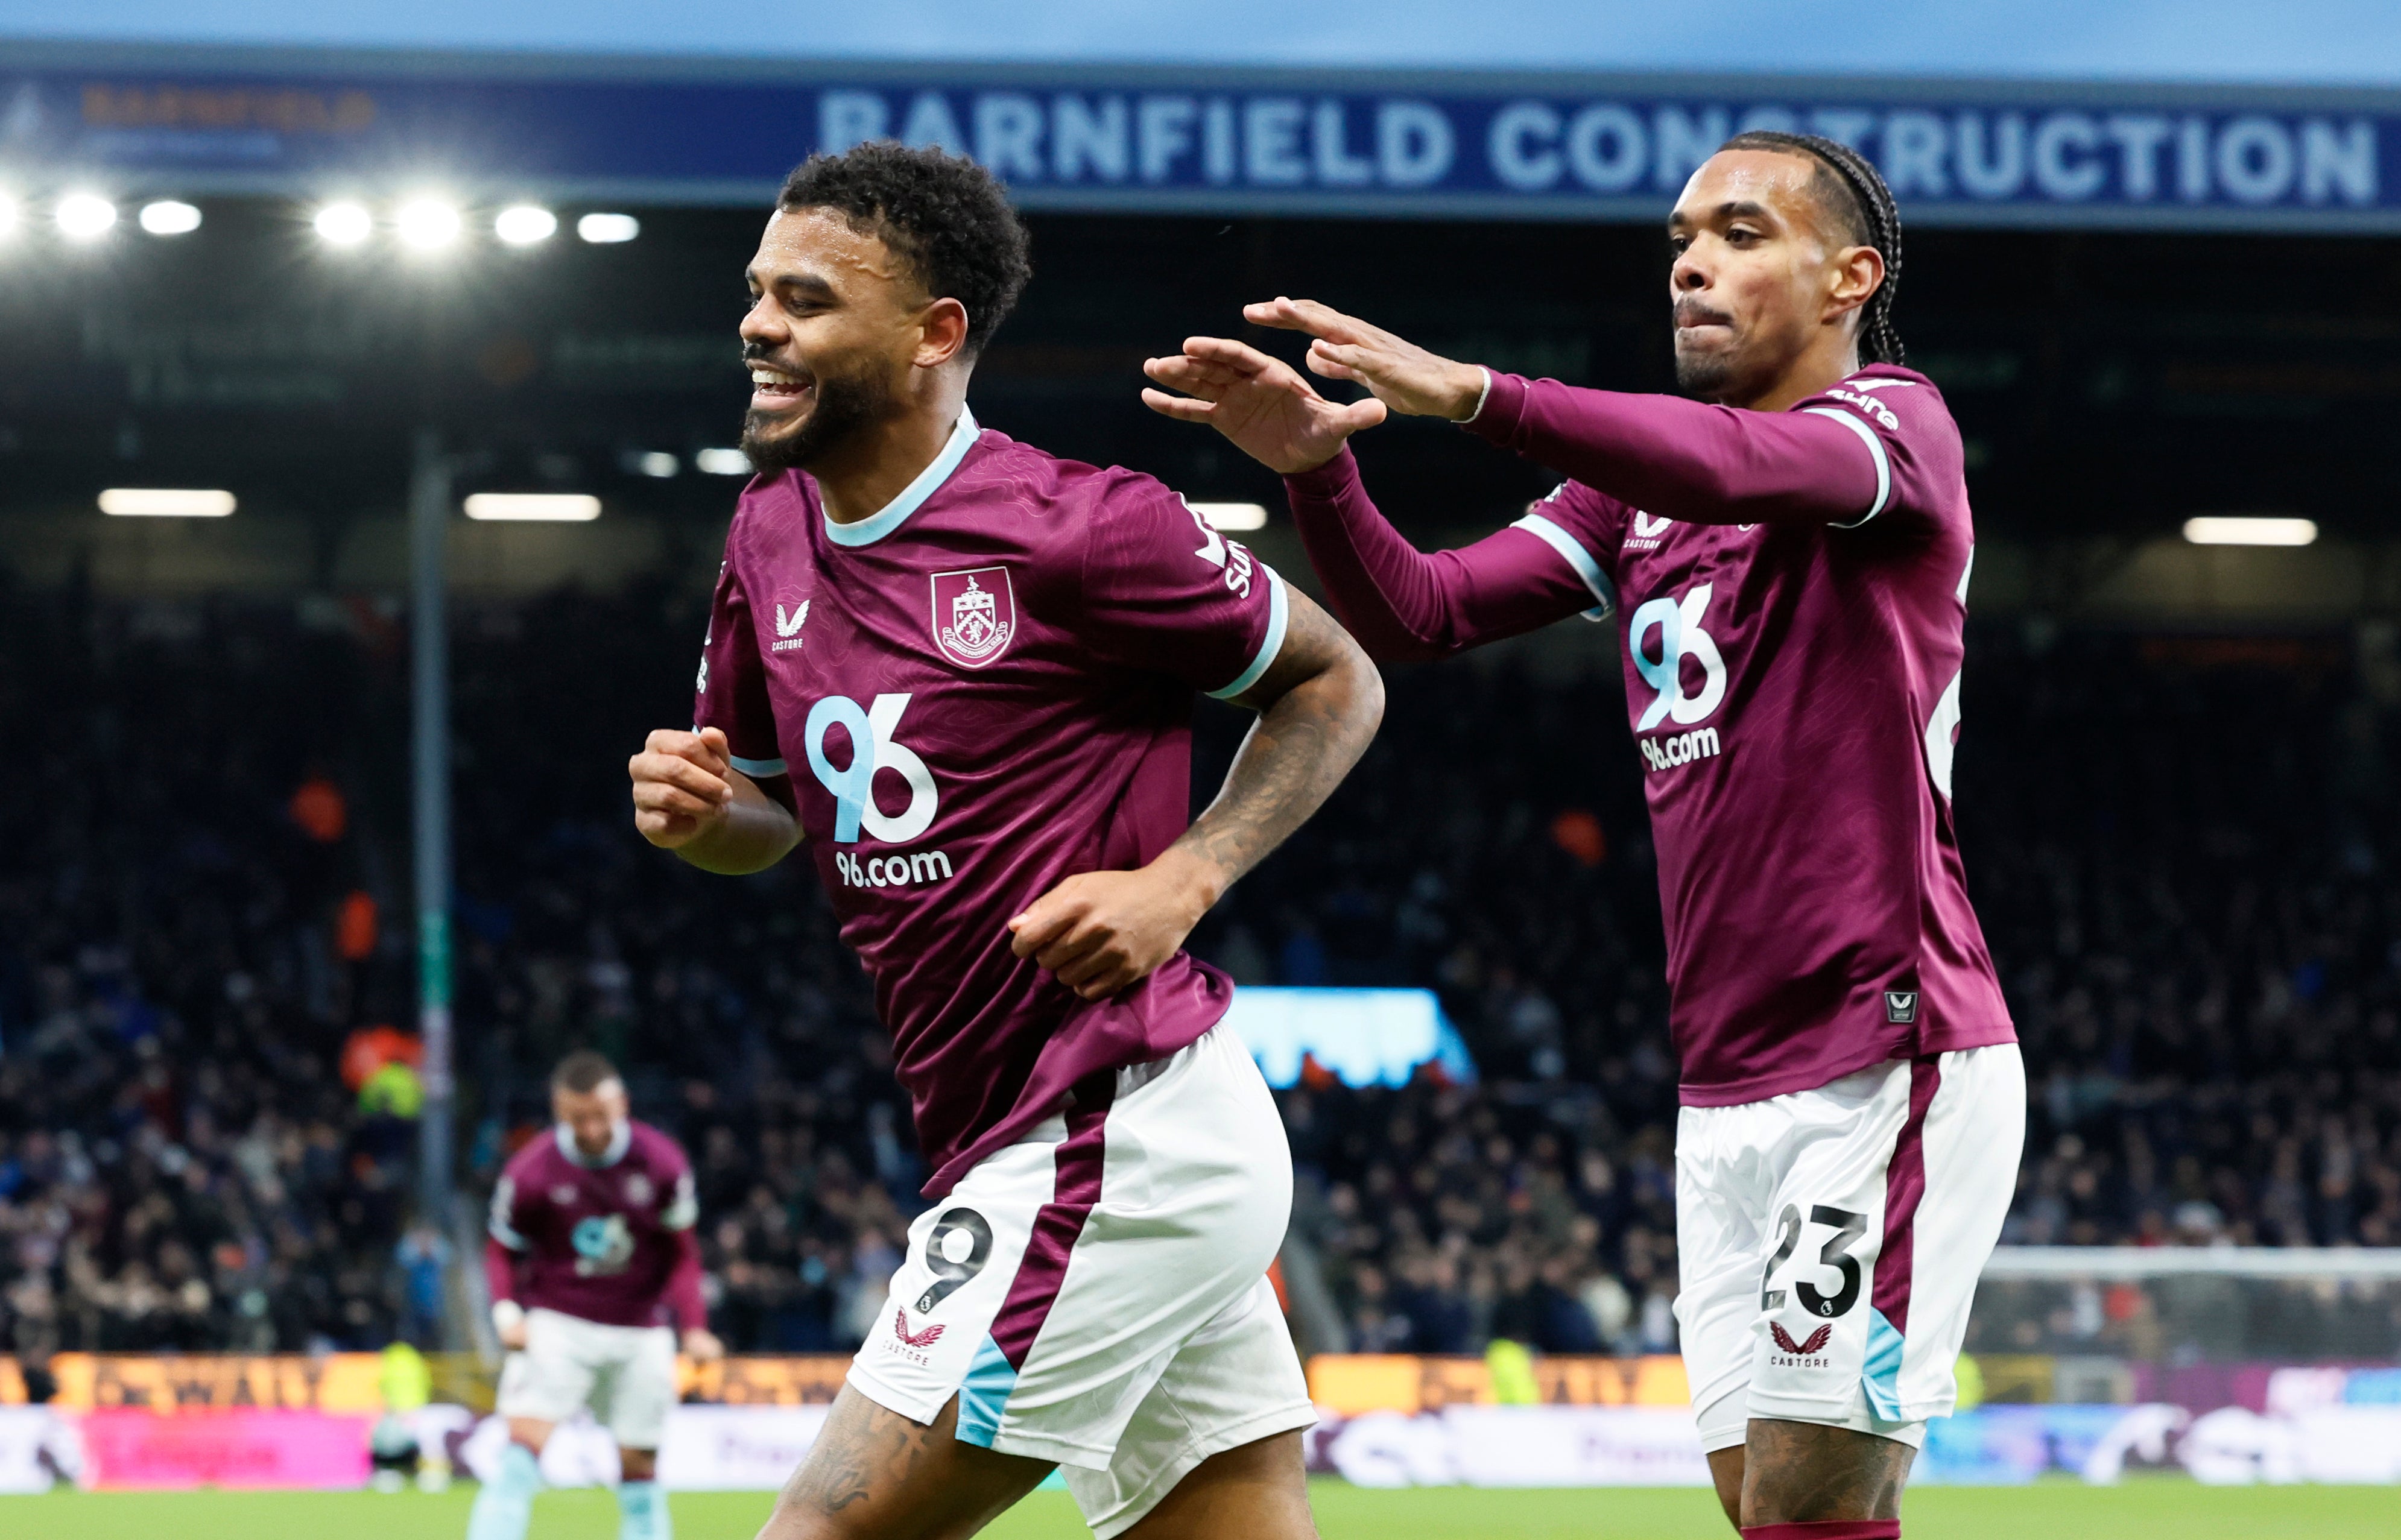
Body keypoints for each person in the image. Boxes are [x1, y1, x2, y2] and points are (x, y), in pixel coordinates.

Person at [1142, 131, 2023, 1540]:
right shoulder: (1632, 499)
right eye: (1681, 238)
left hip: (1886, 1045)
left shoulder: (1893, 424)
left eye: (1740, 232)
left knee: (1811, 1498)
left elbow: (1740, 464)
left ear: (1849, 278)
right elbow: (1422, 612)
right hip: (1721, 1080)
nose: (1691, 263)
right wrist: (1319, 473)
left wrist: (1477, 396)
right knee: (1764, 1504)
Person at [625, 143, 1382, 1540]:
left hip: (1108, 1127)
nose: (756, 325)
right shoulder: (768, 527)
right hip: (1038, 1126)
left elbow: (1337, 678)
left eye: (804, 300)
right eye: (757, 292)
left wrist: (1186, 873)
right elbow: (772, 817)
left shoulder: (1085, 528)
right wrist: (703, 814)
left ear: (933, 332)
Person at [469, 1051, 723, 1540]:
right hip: (556, 1325)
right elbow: (500, 1251)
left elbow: (683, 1255)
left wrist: (694, 1326)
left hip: (641, 1329)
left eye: (600, 1116)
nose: (590, 1129)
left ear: (622, 1104)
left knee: (640, 1472)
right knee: (518, 1457)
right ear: (558, 1111)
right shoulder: (530, 1171)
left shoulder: (662, 1162)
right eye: (577, 1118)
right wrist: (506, 1315)